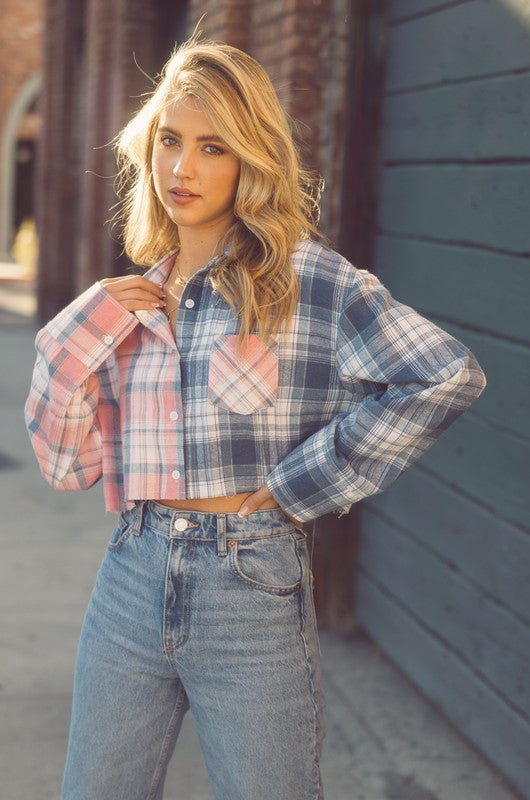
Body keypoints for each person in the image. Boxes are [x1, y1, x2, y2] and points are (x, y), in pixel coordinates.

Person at [24, 37, 486, 800]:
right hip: (131, 575)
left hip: (251, 584)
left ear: (249, 158)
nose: (183, 169)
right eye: (170, 141)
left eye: (213, 147)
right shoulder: (130, 305)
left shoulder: (311, 281)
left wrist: (297, 484)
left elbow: (442, 375)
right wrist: (78, 333)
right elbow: (66, 466)